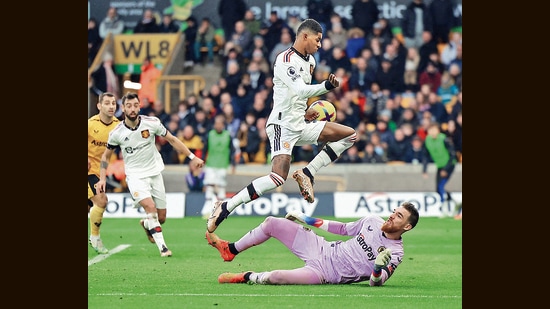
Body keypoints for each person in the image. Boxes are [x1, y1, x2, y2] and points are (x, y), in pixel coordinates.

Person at [206, 19, 357, 233]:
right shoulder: (285, 59)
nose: (320, 45)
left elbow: (297, 97)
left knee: (349, 136)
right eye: (318, 39)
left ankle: (308, 172)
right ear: (305, 36)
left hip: (300, 122)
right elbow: (300, 89)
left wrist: (305, 112)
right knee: (277, 178)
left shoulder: (311, 62)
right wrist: (326, 86)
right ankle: (226, 206)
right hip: (282, 125)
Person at [205, 201, 419, 285]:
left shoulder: (395, 252)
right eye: (394, 211)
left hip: (326, 274)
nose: (392, 216)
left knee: (278, 277)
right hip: (323, 248)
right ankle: (230, 249)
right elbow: (343, 229)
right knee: (272, 223)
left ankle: (247, 277)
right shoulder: (372, 221)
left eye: (399, 216)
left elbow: (376, 282)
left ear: (407, 227)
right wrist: (305, 219)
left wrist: (378, 267)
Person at [96, 92, 205, 257]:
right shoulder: (116, 133)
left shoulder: (152, 123)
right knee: (150, 207)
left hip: (155, 173)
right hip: (135, 177)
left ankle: (147, 225)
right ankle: (163, 248)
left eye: (135, 105)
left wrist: (192, 156)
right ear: (123, 108)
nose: (132, 109)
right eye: (129, 106)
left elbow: (173, 139)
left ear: (140, 106)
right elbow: (106, 156)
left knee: (161, 218)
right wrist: (102, 178)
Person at [88, 92, 120, 254]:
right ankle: (95, 237)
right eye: (107, 103)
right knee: (101, 200)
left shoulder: (119, 126)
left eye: (113, 103)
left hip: (101, 170)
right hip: (88, 170)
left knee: (91, 208)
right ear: (99, 106)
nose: (111, 106)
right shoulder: (90, 124)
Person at [200, 114, 237, 216]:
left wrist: (233, 163)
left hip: (222, 164)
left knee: (221, 186)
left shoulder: (228, 135)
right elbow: (205, 149)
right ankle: (207, 208)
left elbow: (232, 150)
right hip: (211, 164)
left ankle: (221, 209)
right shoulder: (210, 135)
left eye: (220, 124)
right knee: (210, 185)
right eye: (216, 124)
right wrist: (202, 160)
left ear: (223, 125)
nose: (218, 126)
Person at [421, 122, 456, 216]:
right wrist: (424, 169)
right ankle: (452, 200)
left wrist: (446, 169)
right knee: (437, 189)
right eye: (430, 130)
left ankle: (444, 208)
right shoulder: (427, 140)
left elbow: (453, 155)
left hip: (449, 165)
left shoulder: (444, 139)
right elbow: (425, 156)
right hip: (440, 166)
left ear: (438, 130)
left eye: (434, 130)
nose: (432, 132)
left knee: (441, 186)